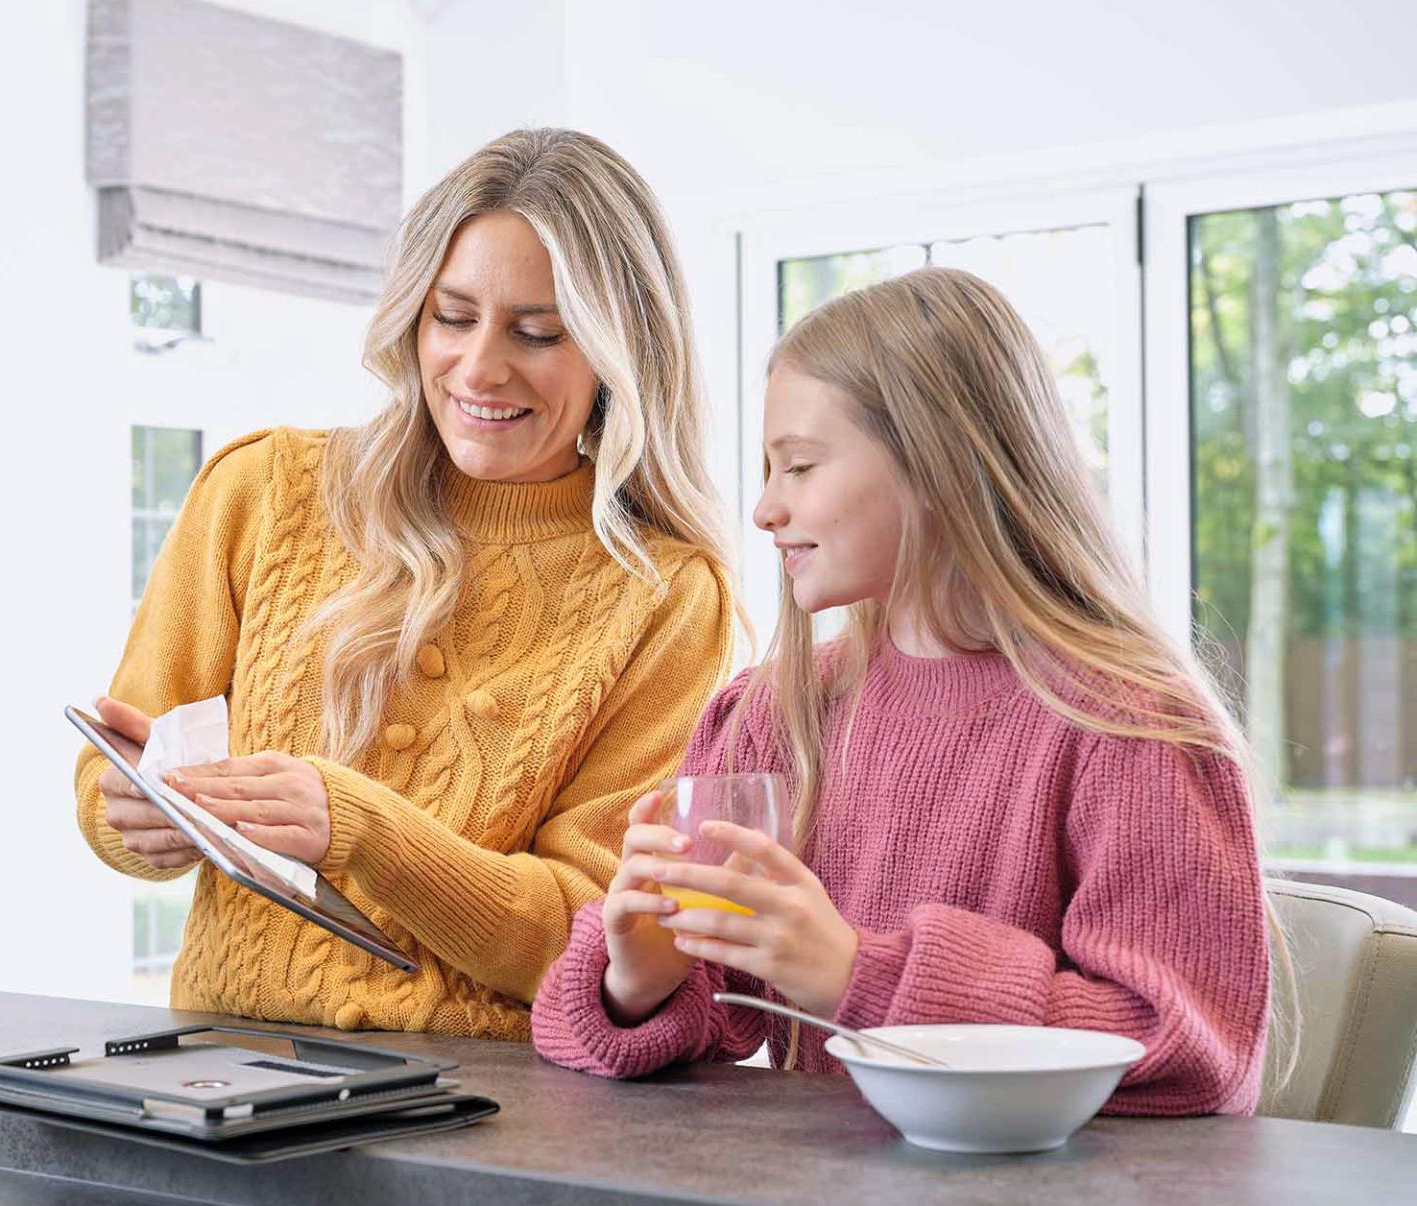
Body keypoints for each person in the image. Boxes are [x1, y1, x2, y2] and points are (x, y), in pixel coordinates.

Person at [531, 266, 1280, 1114]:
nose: (764, 509)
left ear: (937, 464)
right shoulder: (772, 715)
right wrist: (639, 979)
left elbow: (1188, 1049)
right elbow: (704, 1005)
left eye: (800, 466)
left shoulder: (1130, 726)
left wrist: (858, 975)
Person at [75, 129, 739, 1040]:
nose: (479, 369)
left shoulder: (665, 596)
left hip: (477, 1111)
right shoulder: (260, 492)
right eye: (453, 317)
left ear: (621, 353)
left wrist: (364, 832)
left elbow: (589, 936)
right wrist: (131, 817)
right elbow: (111, 779)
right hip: (220, 1071)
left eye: (540, 333)